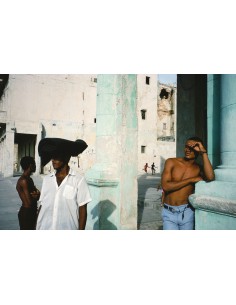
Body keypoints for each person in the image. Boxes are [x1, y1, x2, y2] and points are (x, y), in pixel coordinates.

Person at [36, 138, 92, 230]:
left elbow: (82, 209)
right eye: (52, 156)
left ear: (66, 157)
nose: (53, 160)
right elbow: (42, 206)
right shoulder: (47, 180)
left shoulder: (79, 180)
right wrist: (36, 227)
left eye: (56, 156)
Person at [161, 136, 215, 230]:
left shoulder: (198, 168)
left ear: (198, 150)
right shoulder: (171, 162)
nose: (188, 150)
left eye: (191, 148)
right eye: (186, 147)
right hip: (169, 212)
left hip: (187, 212)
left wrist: (203, 153)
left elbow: (210, 177)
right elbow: (166, 186)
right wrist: (191, 180)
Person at [16, 156, 40, 230]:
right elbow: (29, 201)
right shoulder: (24, 181)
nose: (36, 166)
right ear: (30, 165)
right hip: (27, 214)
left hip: (31, 212)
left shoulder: (29, 179)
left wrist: (37, 195)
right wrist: (37, 195)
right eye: (34, 164)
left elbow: (37, 195)